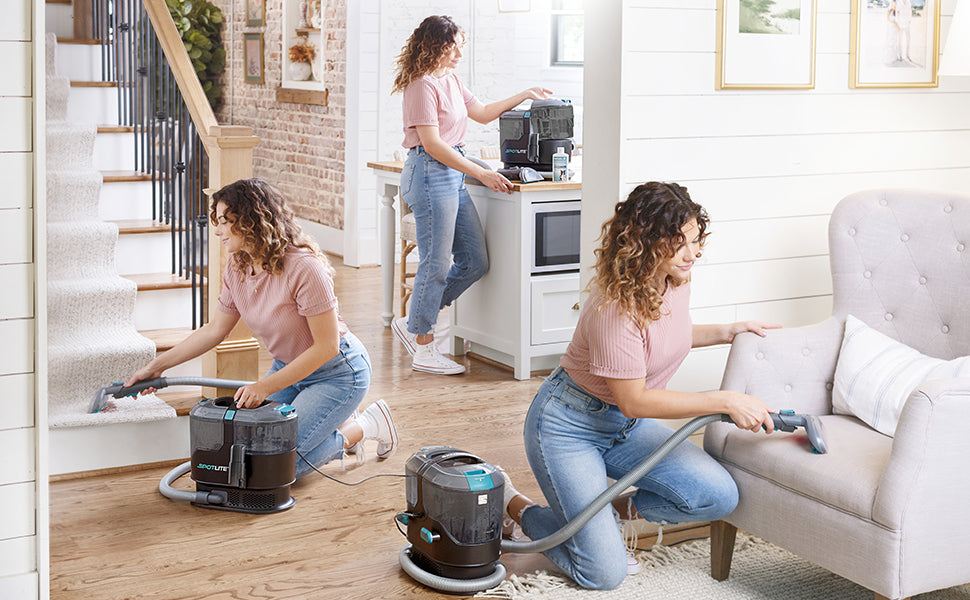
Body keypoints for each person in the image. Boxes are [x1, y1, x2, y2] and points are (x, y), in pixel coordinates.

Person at [500, 182, 781, 590]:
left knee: (717, 495)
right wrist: (723, 400)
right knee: (603, 573)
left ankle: (601, 515)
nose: (692, 254)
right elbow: (634, 400)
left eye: (695, 240)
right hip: (568, 429)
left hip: (623, 428)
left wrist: (730, 329)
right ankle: (517, 508)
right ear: (645, 242)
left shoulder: (675, 278)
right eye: (678, 242)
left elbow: (667, 336)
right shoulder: (614, 307)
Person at [125, 178, 398, 479]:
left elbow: (327, 347)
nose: (217, 231)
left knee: (281, 466)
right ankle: (326, 421)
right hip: (289, 369)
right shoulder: (237, 266)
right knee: (248, 452)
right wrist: (157, 366)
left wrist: (263, 388)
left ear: (250, 220)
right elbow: (215, 329)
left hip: (336, 373)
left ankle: (365, 426)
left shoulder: (304, 268)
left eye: (224, 222)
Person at [389, 14, 552, 375]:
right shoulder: (421, 85)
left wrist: (525, 94)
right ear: (437, 45)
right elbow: (431, 144)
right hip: (430, 175)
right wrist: (482, 172)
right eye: (455, 46)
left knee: (475, 261)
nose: (461, 52)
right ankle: (424, 346)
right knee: (435, 263)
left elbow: (482, 113)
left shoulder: (451, 80)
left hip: (452, 173)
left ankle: (415, 320)